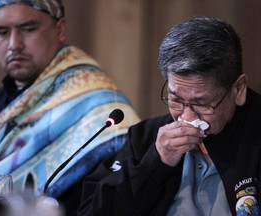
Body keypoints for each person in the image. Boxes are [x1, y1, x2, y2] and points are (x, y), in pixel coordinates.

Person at [77, 17, 261, 216]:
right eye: (176, 100)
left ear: (239, 89)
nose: (187, 117)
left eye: (202, 103)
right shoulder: (146, 138)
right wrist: (155, 163)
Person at [0, 0, 139, 215]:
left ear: (60, 29)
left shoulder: (101, 107)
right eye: (1, 32)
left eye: (29, 29)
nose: (14, 44)